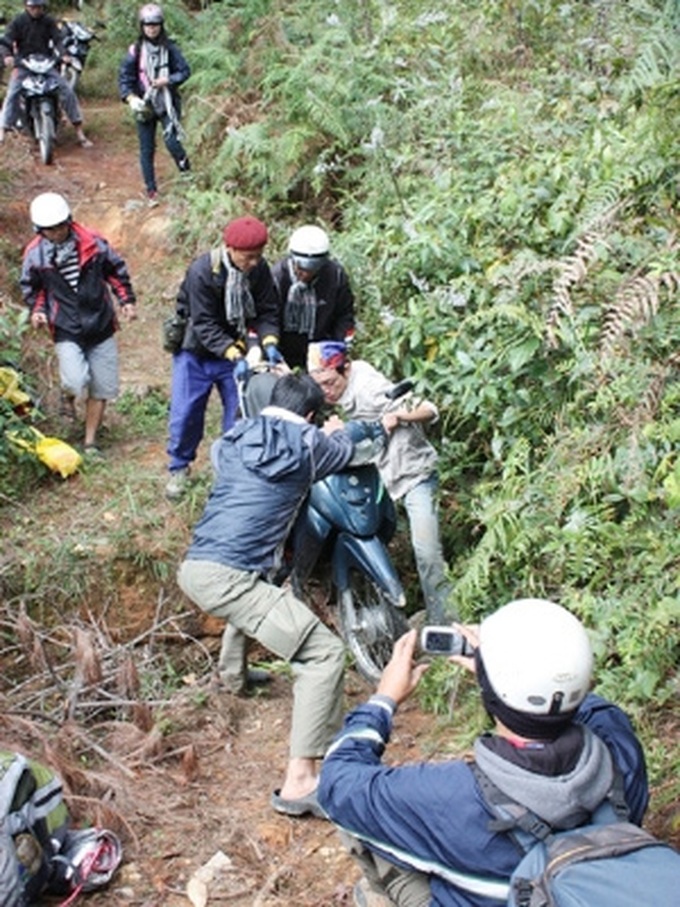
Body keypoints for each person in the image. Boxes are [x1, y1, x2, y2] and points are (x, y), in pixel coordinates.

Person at [318, 598, 650, 907]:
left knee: (364, 819)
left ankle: (379, 896)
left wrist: (383, 700)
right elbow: (586, 706)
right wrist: (510, 677)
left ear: (489, 693)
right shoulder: (620, 751)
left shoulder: (448, 796)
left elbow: (337, 781)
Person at [177, 372, 385, 816]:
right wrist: (345, 430)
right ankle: (301, 781)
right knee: (324, 653)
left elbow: (229, 466)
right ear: (310, 414)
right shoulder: (311, 444)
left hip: (199, 564)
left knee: (260, 589)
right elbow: (356, 449)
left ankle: (234, 675)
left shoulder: (234, 436)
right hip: (229, 577)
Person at [308, 340, 454, 623]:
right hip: (380, 483)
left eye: (329, 383)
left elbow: (429, 409)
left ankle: (443, 623)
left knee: (426, 552)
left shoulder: (369, 388)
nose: (325, 392)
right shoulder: (338, 394)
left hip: (414, 476)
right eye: (319, 386)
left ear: (345, 369)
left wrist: (395, 417)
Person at [165, 214, 282, 500]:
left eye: (258, 256)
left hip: (238, 351)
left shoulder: (259, 270)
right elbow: (203, 322)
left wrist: (269, 342)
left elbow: (267, 310)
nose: (253, 262)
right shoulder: (203, 271)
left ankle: (231, 470)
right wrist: (232, 351)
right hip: (196, 351)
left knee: (240, 412)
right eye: (248, 257)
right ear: (230, 249)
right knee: (186, 412)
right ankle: (179, 468)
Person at [21, 192, 137, 454]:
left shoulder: (92, 243)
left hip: (100, 323)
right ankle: (68, 395)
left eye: (61, 225)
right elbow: (34, 288)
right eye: (51, 229)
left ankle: (90, 441)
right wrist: (39, 310)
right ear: (40, 230)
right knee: (75, 380)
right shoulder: (35, 256)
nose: (58, 232)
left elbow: (115, 271)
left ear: (69, 221)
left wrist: (126, 300)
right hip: (65, 326)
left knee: (101, 385)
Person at [118, 3, 191, 205]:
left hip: (167, 102)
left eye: (155, 25)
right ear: (142, 26)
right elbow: (125, 78)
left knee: (172, 142)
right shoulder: (135, 51)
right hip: (145, 103)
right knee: (146, 148)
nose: (152, 28)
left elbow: (185, 71)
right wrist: (131, 98)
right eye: (148, 25)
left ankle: (187, 176)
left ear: (161, 25)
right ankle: (151, 191)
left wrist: (169, 80)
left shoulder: (170, 48)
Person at [0, 0, 92, 147]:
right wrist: (7, 56)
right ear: (27, 6)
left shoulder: (49, 21)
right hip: (24, 64)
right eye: (33, 7)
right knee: (13, 92)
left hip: (45, 63)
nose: (36, 10)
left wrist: (64, 54)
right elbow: (6, 42)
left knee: (66, 90)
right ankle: (2, 132)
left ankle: (79, 131)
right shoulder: (18, 22)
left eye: (39, 7)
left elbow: (58, 40)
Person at [271, 225, 355, 369]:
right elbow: (269, 315)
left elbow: (344, 315)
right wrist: (271, 345)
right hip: (284, 348)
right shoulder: (278, 277)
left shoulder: (336, 276)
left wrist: (339, 345)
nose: (306, 274)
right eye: (301, 268)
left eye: (312, 269)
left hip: (320, 350)